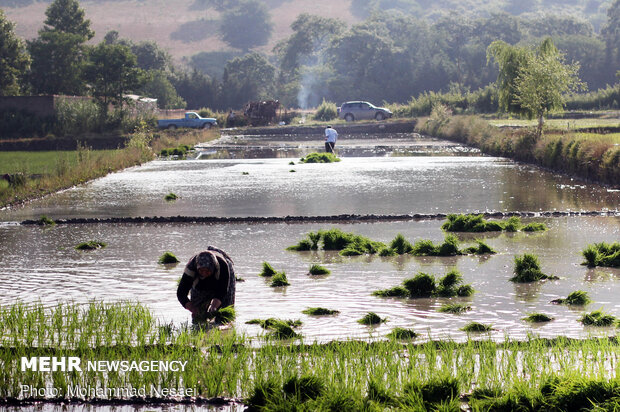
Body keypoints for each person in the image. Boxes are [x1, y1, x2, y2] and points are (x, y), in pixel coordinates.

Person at [177, 246, 235, 323]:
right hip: (200, 282)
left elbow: (222, 290)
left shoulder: (223, 266)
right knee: (198, 318)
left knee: (223, 316)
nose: (204, 273)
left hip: (221, 279)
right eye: (201, 270)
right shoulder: (191, 267)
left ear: (212, 268)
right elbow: (181, 293)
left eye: (207, 271)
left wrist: (214, 306)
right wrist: (193, 309)